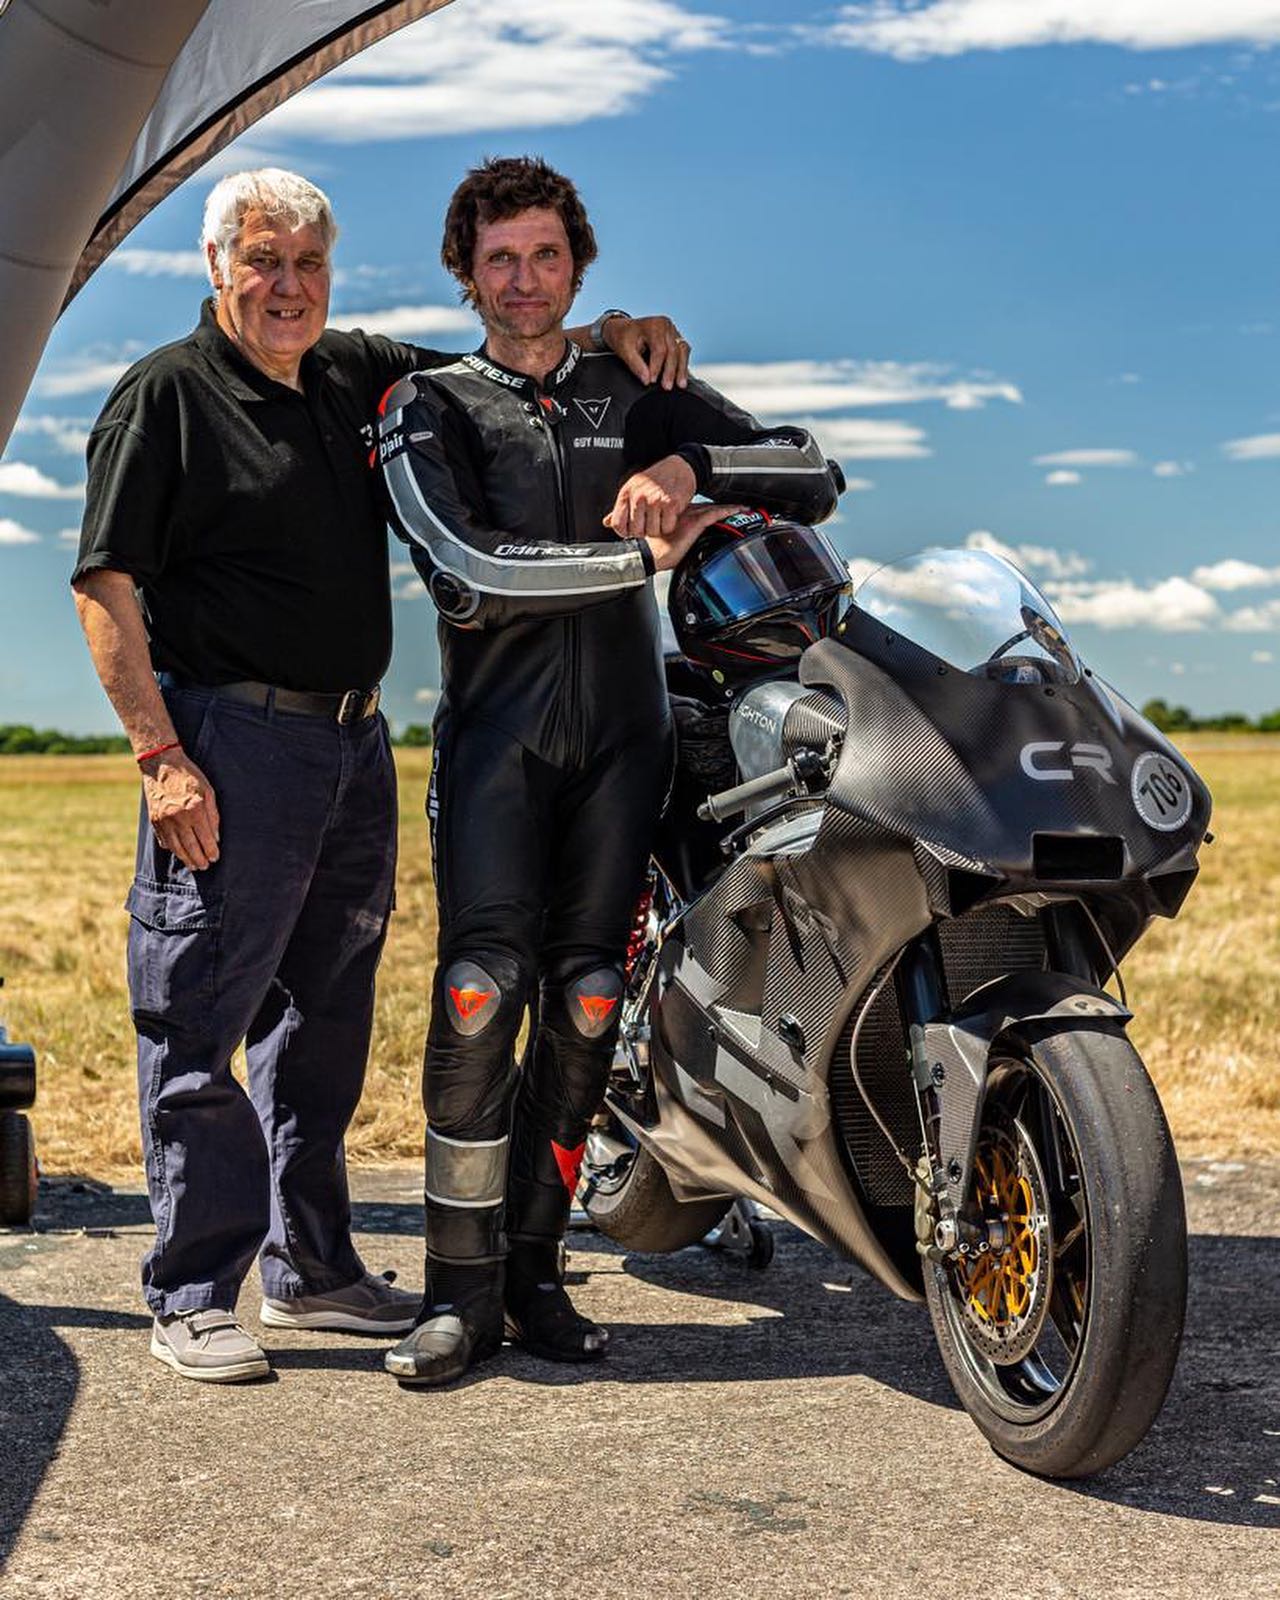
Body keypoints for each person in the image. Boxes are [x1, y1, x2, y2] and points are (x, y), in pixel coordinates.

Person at [70, 166, 689, 1384]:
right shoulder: (168, 396)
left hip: (351, 743)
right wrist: (161, 757)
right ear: (215, 268)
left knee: (322, 1022)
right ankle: (193, 1289)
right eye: (263, 262)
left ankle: (316, 1266)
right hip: (226, 739)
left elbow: (511, 351)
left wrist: (619, 334)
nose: (287, 287)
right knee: (199, 1016)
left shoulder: (355, 372)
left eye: (307, 263)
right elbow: (105, 587)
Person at [379, 156, 843, 1387]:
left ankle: (533, 1273)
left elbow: (811, 473)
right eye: (498, 260)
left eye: (543, 256)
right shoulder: (429, 403)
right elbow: (464, 572)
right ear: (465, 275)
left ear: (576, 266)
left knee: (590, 1003)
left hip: (624, 737)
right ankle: (453, 1291)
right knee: (482, 991)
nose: (522, 281)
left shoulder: (635, 380)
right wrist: (630, 558)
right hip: (495, 744)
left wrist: (691, 470)